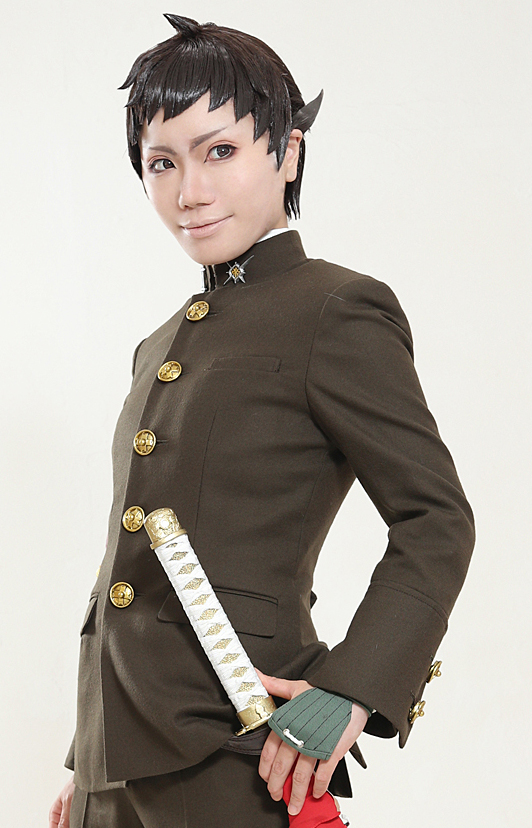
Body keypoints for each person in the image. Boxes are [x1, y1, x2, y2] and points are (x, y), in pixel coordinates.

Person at [49, 13, 475, 828]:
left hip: (242, 753)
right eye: (161, 162)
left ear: (287, 152)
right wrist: (89, 756)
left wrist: (354, 687)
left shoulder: (338, 308)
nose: (189, 191)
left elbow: (437, 520)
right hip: (115, 768)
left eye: (219, 151)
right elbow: (128, 566)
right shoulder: (157, 345)